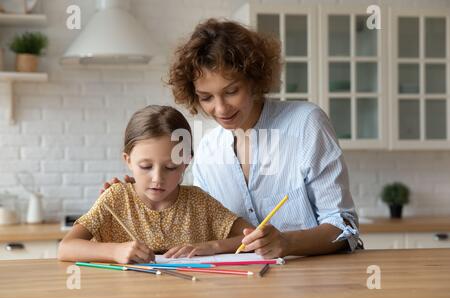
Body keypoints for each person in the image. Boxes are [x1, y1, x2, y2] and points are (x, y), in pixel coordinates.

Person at [104, 18, 362, 259]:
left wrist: (286, 242)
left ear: (254, 80)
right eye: (206, 97)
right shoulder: (207, 148)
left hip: (313, 281)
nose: (221, 109)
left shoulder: (306, 123)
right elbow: (200, 221)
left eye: (231, 91)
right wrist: (140, 192)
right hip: (238, 284)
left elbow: (344, 226)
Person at [58, 105, 253, 264]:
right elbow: (66, 248)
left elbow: (253, 236)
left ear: (186, 161)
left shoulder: (198, 201)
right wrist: (115, 251)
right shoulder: (116, 197)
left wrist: (213, 246)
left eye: (170, 167)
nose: (157, 178)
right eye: (145, 166)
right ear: (128, 160)